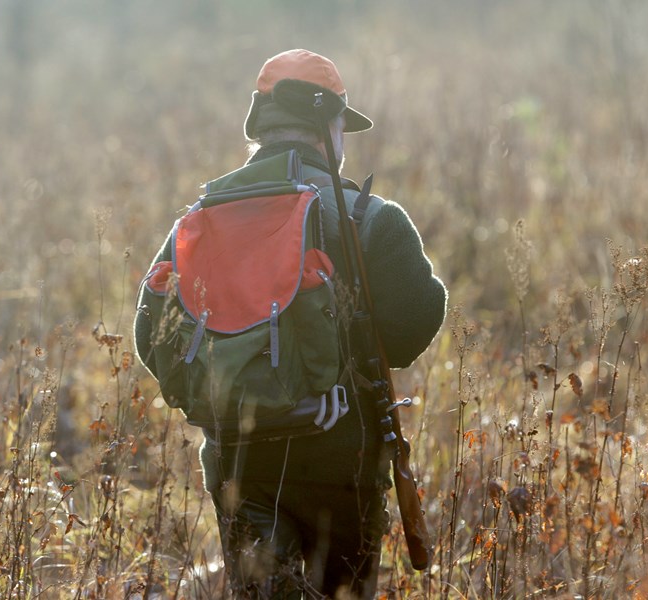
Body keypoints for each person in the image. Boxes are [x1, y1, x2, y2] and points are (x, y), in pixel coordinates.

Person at [134, 48, 447, 599]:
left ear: (260, 127)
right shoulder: (370, 217)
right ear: (330, 126)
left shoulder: (200, 216)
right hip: (342, 459)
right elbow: (409, 332)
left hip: (237, 457)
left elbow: (149, 335)